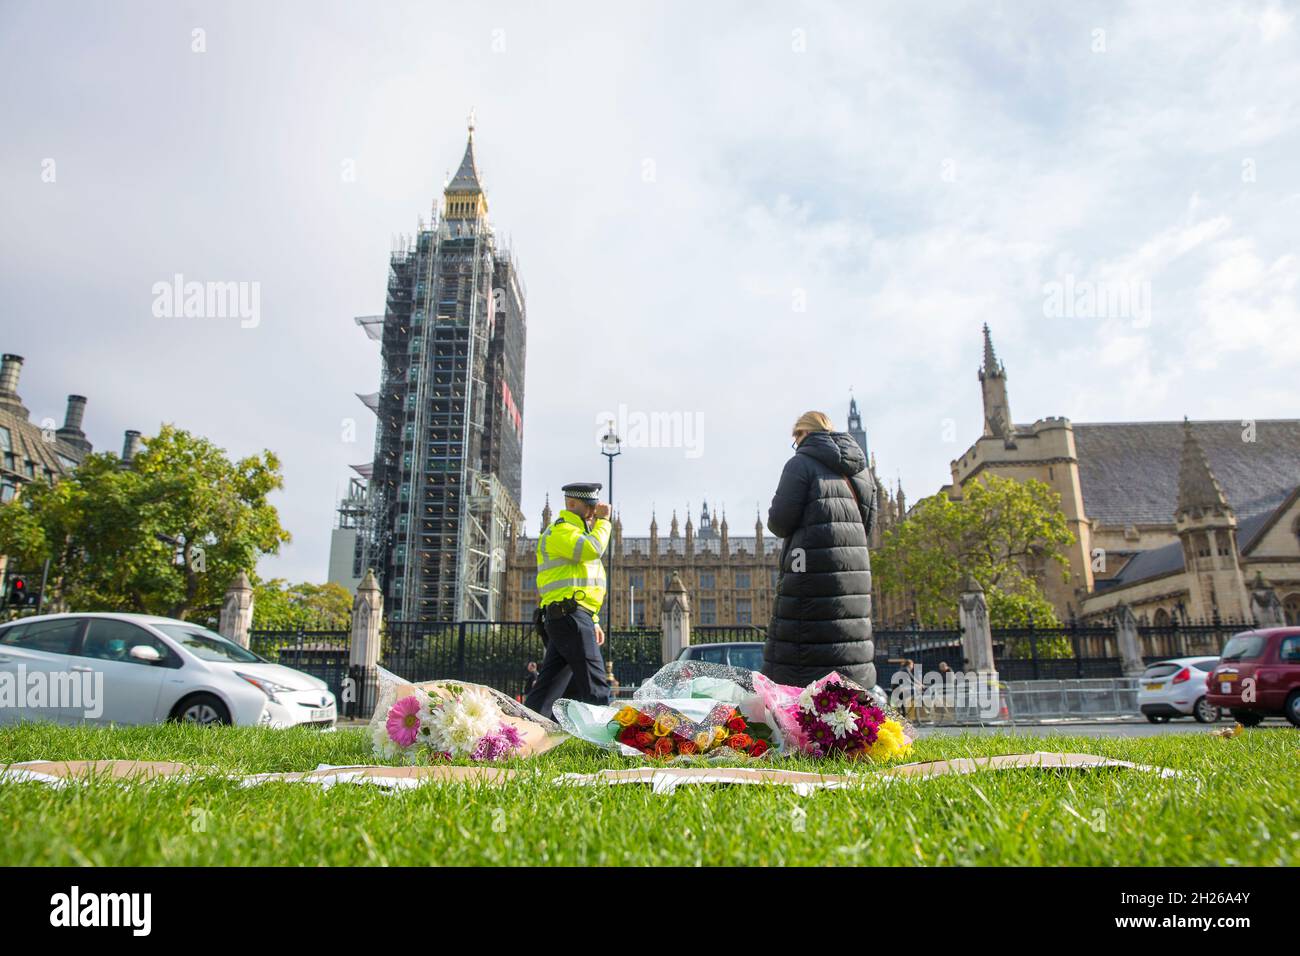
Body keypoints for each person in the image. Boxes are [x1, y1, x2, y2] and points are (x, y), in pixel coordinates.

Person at [762, 410, 877, 689]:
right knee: (847, 647)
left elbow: (779, 522)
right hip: (853, 576)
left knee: (802, 649)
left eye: (796, 438)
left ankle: (799, 724)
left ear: (803, 434)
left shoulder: (800, 464)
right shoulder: (861, 472)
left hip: (809, 571)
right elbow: (868, 527)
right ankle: (847, 724)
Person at [523, 482, 612, 719]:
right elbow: (593, 549)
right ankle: (604, 746)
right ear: (572, 504)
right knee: (596, 686)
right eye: (590, 507)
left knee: (548, 690)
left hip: (570, 616)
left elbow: (581, 583)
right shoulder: (561, 531)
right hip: (568, 616)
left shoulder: (579, 534)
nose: (594, 512)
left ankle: (522, 736)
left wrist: (593, 619)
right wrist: (605, 522)